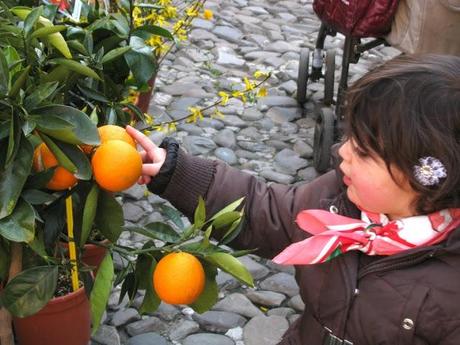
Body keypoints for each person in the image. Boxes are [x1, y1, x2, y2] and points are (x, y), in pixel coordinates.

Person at [126, 54, 460, 344]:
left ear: (423, 178)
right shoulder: (337, 200)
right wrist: (179, 173)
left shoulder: (451, 287)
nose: (342, 152)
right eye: (349, 137)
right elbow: (265, 211)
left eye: (363, 151)